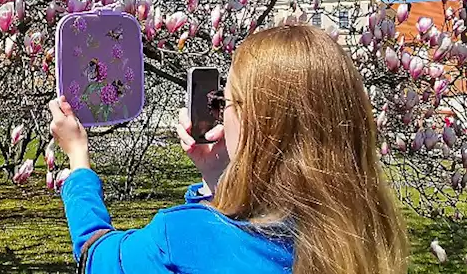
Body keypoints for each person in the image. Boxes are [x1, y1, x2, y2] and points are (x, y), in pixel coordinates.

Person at [48, 24, 408, 274]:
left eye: (227, 100)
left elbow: (97, 256)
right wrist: (215, 177)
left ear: (257, 123)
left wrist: (79, 160)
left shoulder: (184, 237)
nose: (220, 111)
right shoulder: (366, 238)